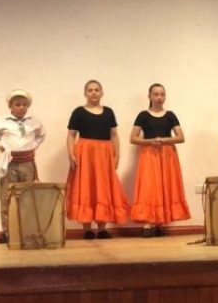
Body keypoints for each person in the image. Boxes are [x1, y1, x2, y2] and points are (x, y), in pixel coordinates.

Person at [0, 89, 46, 244]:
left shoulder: (34, 122)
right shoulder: (1, 121)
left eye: (24, 105)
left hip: (27, 163)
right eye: (17, 104)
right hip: (9, 163)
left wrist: (34, 145)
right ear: (10, 106)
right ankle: (7, 231)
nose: (21, 107)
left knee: (27, 198)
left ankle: (27, 231)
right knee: (6, 197)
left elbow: (42, 134)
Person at [66, 79, 129, 239]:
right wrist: (71, 154)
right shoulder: (78, 112)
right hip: (85, 153)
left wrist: (117, 155)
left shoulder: (108, 112)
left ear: (101, 93)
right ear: (85, 93)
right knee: (85, 187)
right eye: (90, 90)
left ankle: (102, 228)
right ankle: (87, 228)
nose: (93, 93)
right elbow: (71, 135)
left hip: (104, 154)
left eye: (96, 90)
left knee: (103, 188)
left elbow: (114, 135)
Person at [130, 83, 190, 237]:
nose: (159, 97)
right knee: (150, 187)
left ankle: (159, 223)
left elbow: (181, 137)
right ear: (149, 96)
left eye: (162, 94)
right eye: (156, 94)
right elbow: (133, 138)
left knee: (165, 186)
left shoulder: (170, 115)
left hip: (167, 155)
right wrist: (150, 141)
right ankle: (148, 223)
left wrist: (163, 140)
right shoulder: (143, 115)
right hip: (149, 154)